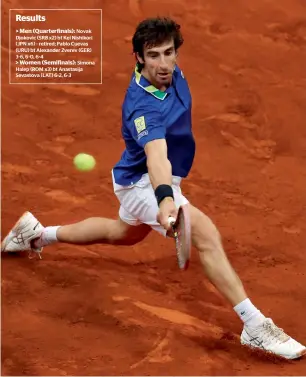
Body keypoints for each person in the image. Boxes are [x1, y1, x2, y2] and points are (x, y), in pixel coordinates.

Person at [2, 17, 305, 360]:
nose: (163, 64)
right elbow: (156, 156)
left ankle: (37, 234)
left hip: (143, 178)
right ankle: (255, 327)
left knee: (122, 234)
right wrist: (164, 201)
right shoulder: (143, 108)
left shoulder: (173, 72)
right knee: (205, 234)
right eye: (154, 56)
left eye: (169, 53)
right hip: (143, 182)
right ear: (138, 58)